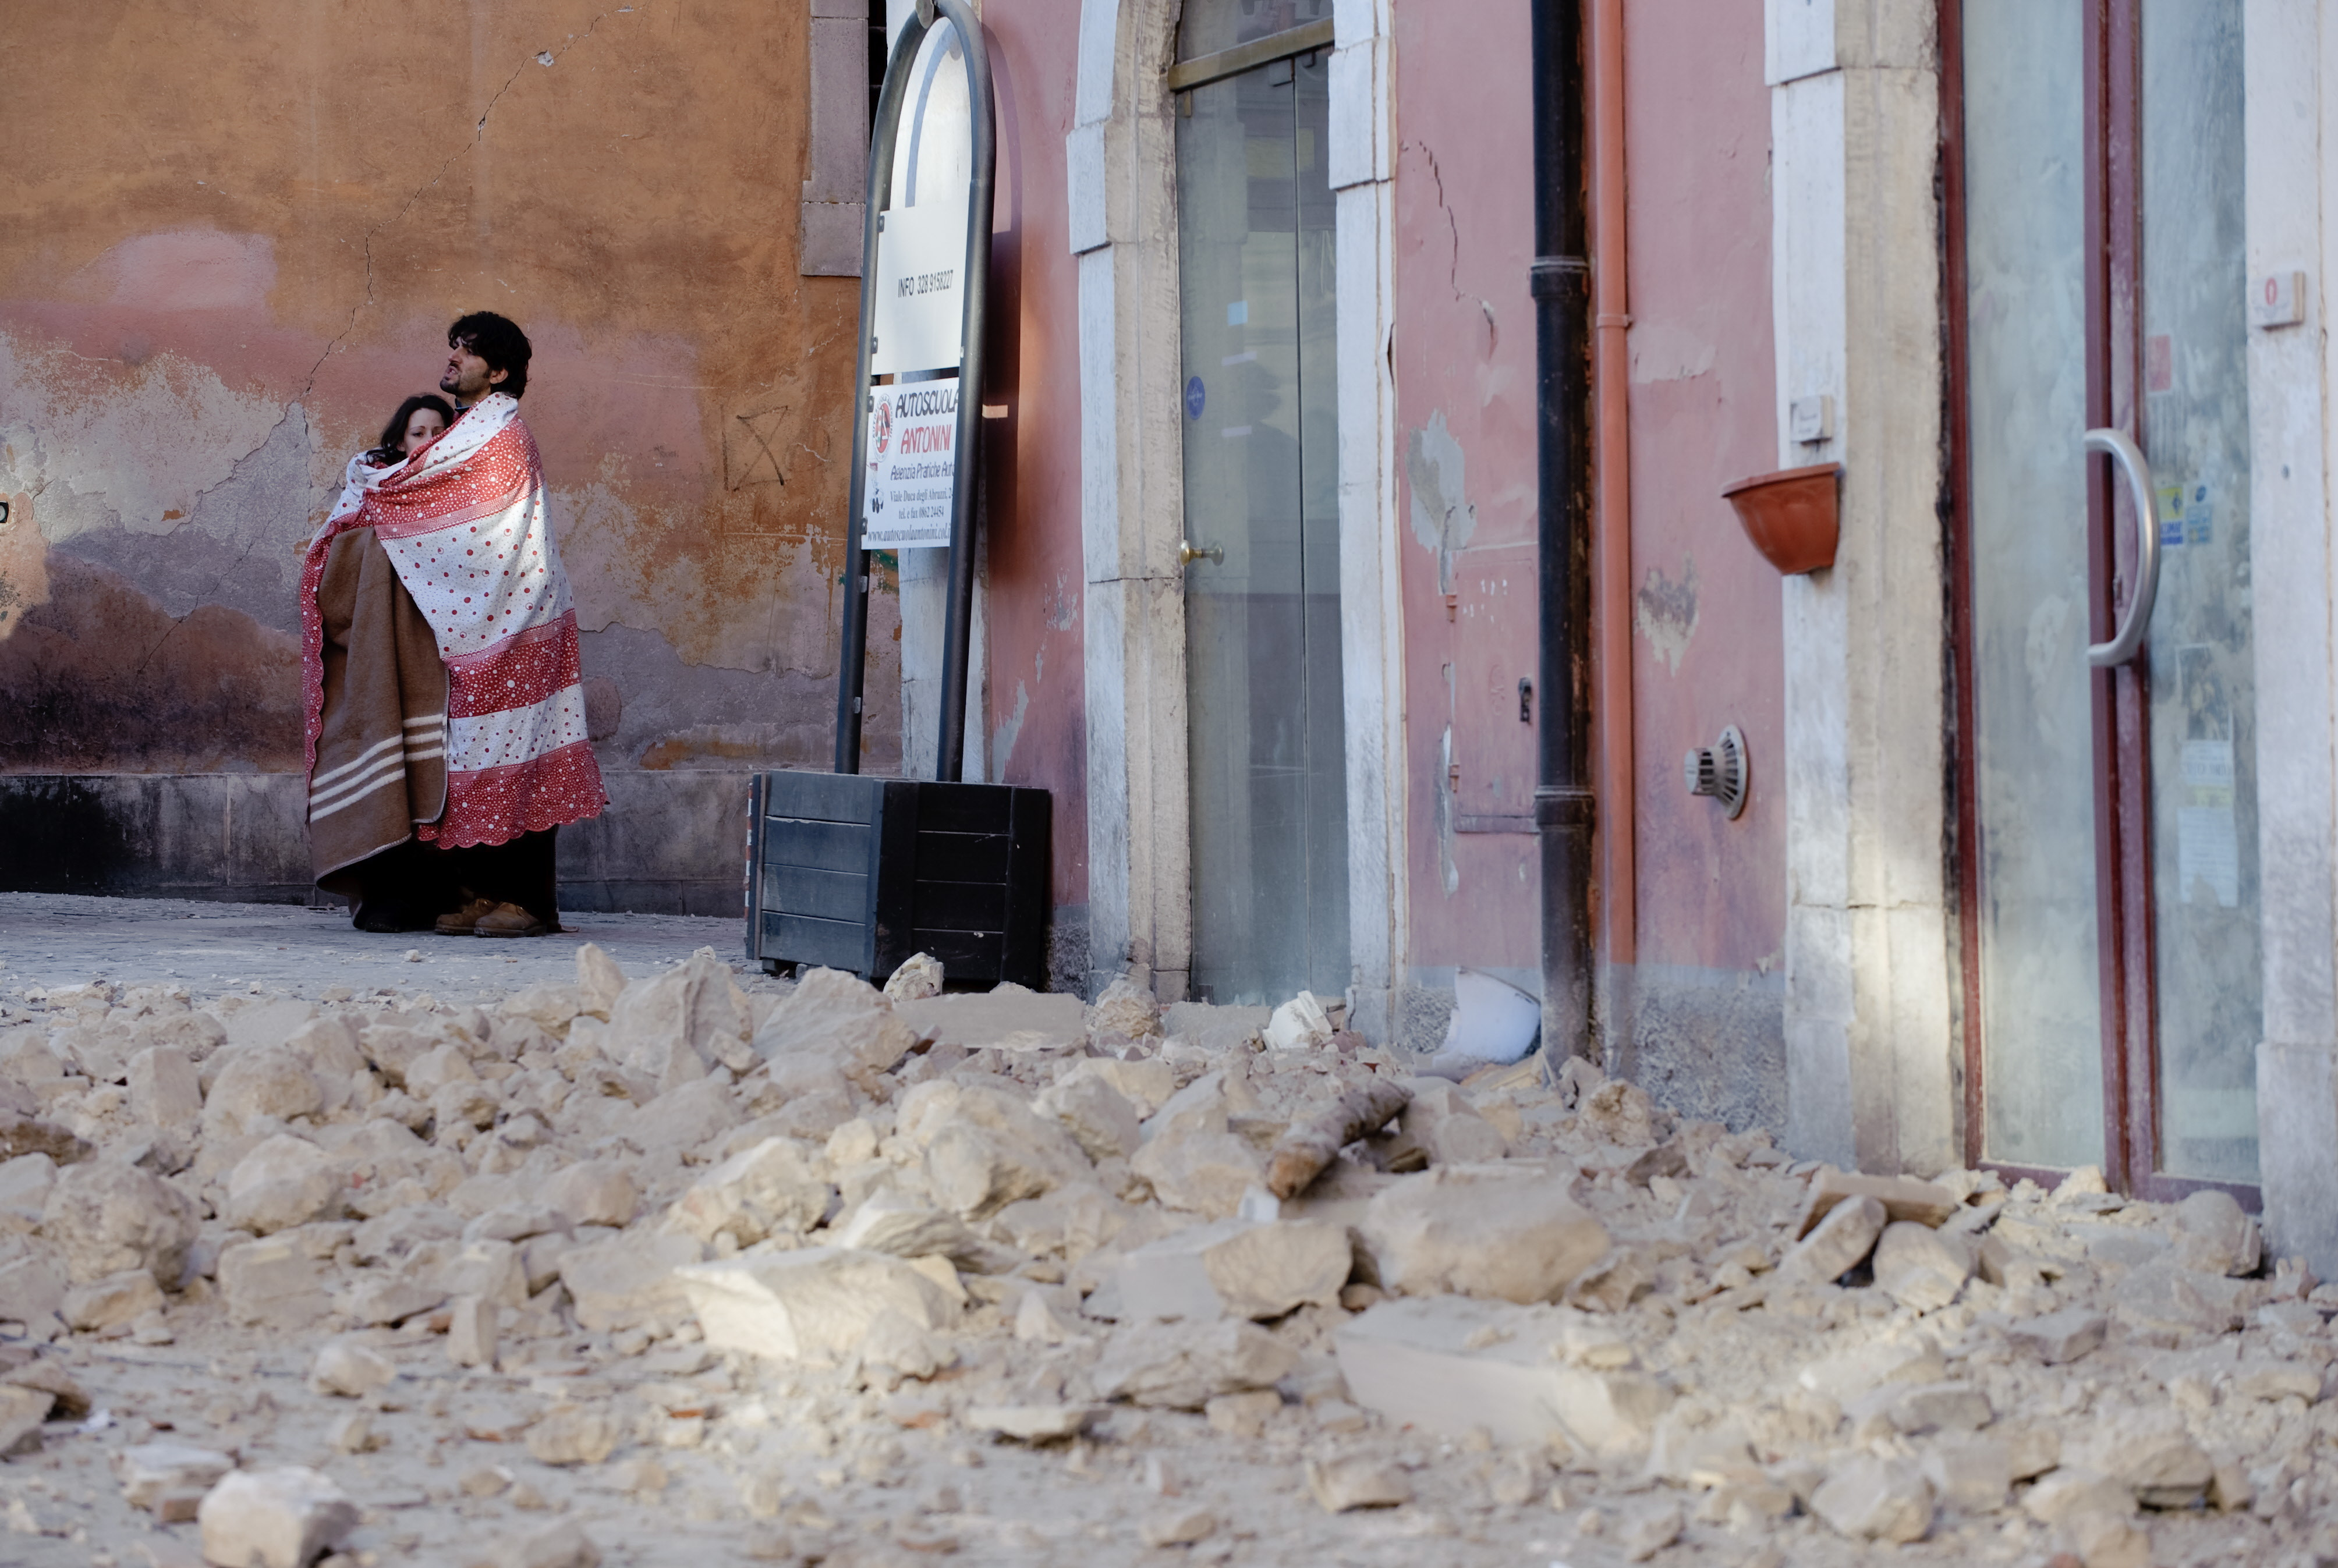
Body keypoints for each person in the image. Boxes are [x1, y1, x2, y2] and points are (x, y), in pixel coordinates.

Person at [301, 313, 605, 937]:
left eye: (465, 352)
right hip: (476, 624)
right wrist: (379, 481)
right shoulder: (469, 431)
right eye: (454, 346)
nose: (452, 358)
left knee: (521, 752)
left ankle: (530, 905)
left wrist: (378, 487)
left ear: (496, 372)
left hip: (517, 616)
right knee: (472, 762)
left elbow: (451, 511)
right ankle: (480, 893)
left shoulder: (498, 434)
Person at [368, 393, 453, 467]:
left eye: (439, 434)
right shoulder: (376, 476)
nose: (430, 441)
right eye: (418, 434)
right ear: (400, 443)